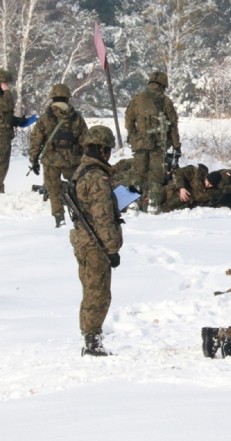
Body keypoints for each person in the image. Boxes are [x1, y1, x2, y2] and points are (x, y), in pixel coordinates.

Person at [68, 126, 123, 357]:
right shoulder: (97, 177)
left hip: (82, 238)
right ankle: (92, 341)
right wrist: (112, 249)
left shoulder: (81, 171)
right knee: (98, 292)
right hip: (95, 242)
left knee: (90, 289)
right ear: (101, 149)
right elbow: (102, 216)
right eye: (108, 150)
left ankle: (90, 335)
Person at [28, 84, 88, 227]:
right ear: (67, 97)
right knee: (76, 188)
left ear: (52, 97)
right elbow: (86, 140)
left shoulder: (45, 118)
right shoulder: (77, 117)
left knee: (53, 189)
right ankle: (80, 216)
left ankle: (59, 217)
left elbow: (36, 140)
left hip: (50, 161)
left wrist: (34, 159)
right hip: (72, 160)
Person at [125, 70, 181, 214]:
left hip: (139, 144)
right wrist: (176, 146)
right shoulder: (165, 101)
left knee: (137, 173)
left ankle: (132, 203)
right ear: (163, 84)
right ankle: (153, 203)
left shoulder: (136, 99)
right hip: (158, 145)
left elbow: (128, 120)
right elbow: (173, 125)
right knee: (156, 174)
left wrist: (133, 136)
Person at [159, 164, 224, 213]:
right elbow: (178, 173)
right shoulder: (196, 174)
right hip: (170, 192)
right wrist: (181, 188)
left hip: (177, 205)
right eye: (208, 181)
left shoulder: (211, 192)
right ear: (206, 177)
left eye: (210, 185)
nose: (207, 185)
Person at [0, 69, 15, 194]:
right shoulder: (4, 97)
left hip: (4, 135)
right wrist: (7, 91)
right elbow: (8, 106)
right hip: (2, 136)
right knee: (2, 164)